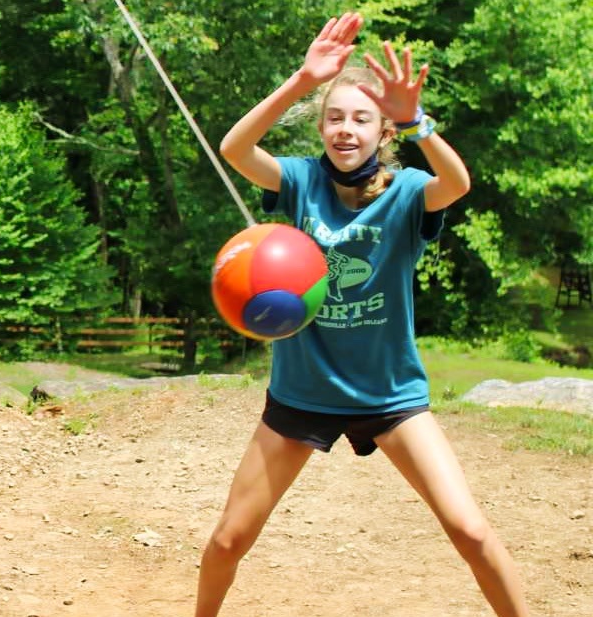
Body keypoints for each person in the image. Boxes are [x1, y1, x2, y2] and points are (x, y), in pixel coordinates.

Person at [198, 13, 529, 616]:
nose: (345, 129)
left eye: (361, 118)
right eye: (334, 116)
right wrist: (302, 80)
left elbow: (456, 183)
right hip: (302, 394)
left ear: (383, 131)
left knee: (473, 533)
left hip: (391, 398)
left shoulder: (405, 191)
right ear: (321, 126)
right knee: (227, 539)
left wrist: (417, 121)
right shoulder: (297, 183)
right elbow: (234, 148)